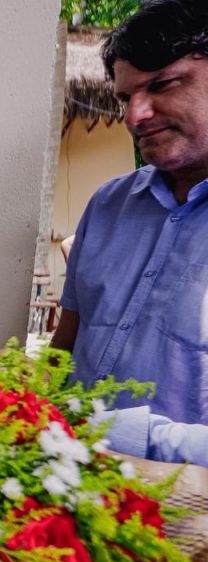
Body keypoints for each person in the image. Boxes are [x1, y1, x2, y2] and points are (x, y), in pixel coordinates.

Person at [51, 0, 208, 466]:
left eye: (162, 84)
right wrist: (23, 388)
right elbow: (66, 345)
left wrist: (117, 434)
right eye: (124, 97)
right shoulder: (107, 205)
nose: (134, 116)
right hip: (62, 487)